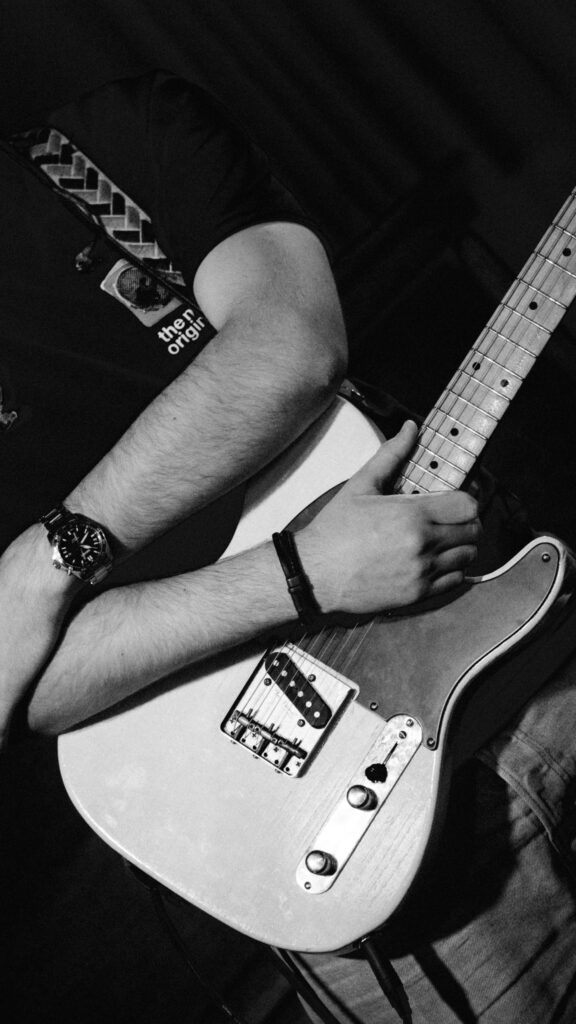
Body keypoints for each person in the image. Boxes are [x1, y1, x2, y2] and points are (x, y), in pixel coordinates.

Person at [6, 68, 568, 1024]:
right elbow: (31, 685)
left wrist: (46, 557)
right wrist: (299, 577)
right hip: (343, 831)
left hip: (537, 644)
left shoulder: (105, 149)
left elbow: (291, 348)